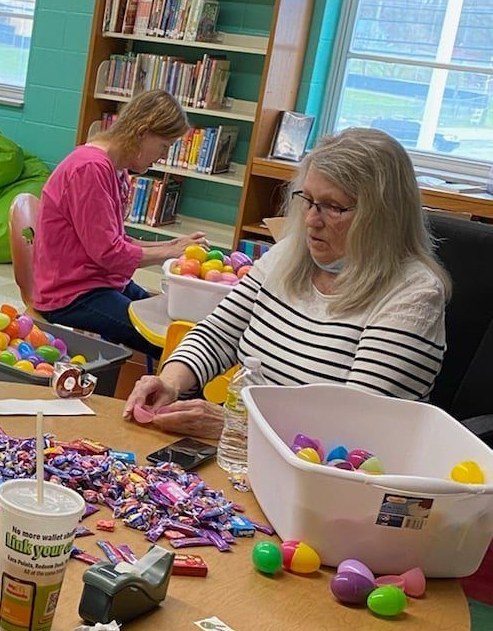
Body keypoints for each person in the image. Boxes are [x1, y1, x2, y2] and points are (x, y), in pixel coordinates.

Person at [124, 128, 449, 440]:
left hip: (330, 473)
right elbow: (218, 334)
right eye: (307, 200)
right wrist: (170, 382)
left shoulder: (413, 295)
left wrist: (233, 428)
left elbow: (353, 428)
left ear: (382, 216)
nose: (310, 219)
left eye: (333, 207)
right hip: (249, 442)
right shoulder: (289, 254)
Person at [32, 90, 206, 351]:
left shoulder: (115, 167)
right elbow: (109, 253)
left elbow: (117, 240)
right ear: (142, 132)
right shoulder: (90, 168)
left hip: (98, 283)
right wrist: (169, 252)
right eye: (164, 146)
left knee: (179, 326)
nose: (162, 156)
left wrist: (172, 246)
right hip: (72, 295)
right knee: (173, 345)